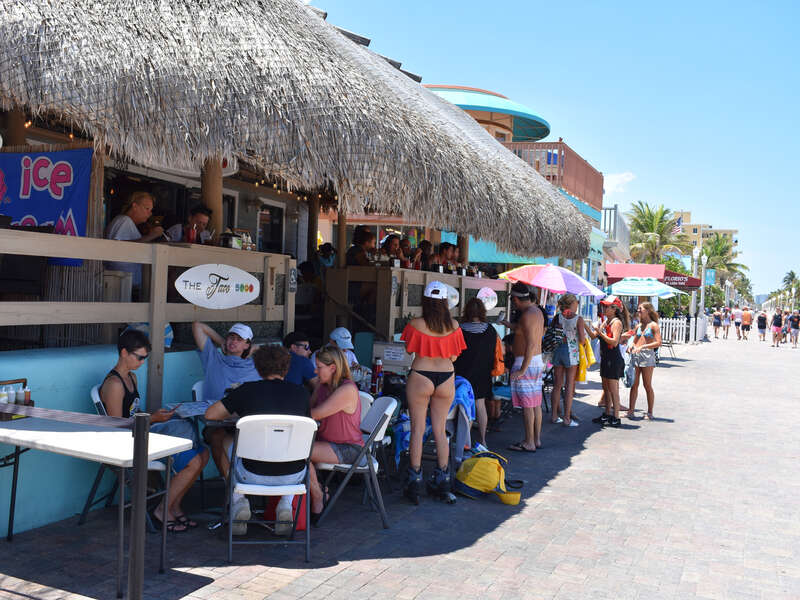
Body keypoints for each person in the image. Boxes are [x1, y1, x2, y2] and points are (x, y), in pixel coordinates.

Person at [100, 329, 208, 532]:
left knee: (204, 454)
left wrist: (154, 416)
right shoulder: (114, 384)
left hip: (141, 434)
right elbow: (118, 427)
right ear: (124, 353)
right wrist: (153, 419)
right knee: (193, 462)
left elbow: (135, 413)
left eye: (145, 358)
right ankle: (163, 509)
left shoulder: (131, 378)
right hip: (128, 443)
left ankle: (173, 504)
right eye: (139, 357)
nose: (142, 363)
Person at [204, 345, 310, 536]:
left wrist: (241, 415)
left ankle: (239, 502)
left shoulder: (246, 391)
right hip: (294, 475)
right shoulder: (302, 394)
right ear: (286, 369)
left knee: (220, 440)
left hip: (250, 474)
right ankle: (285, 503)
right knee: (289, 449)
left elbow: (210, 414)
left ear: (258, 368)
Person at [400, 281, 466, 503]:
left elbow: (409, 349)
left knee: (417, 429)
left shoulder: (416, 324)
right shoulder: (455, 326)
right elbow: (455, 357)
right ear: (446, 301)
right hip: (447, 377)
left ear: (426, 300)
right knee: (440, 430)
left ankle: (415, 481)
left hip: (421, 375)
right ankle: (443, 479)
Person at [192, 321, 261, 479]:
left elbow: (280, 353)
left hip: (246, 424)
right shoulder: (213, 358)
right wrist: (221, 341)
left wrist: (254, 349)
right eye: (231, 337)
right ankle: (230, 487)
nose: (233, 341)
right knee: (217, 436)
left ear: (247, 345)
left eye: (239, 339)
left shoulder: (256, 364)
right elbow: (198, 326)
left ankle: (252, 483)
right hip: (218, 422)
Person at [307, 346, 364, 521]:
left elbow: (314, 413)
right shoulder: (323, 385)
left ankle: (318, 496)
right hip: (327, 444)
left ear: (333, 368)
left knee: (298, 452)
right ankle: (318, 491)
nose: (315, 371)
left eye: (319, 367)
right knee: (295, 448)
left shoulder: (346, 389)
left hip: (349, 448)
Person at [454, 297, 500, 449]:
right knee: (480, 405)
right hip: (483, 373)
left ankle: (465, 441)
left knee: (463, 406)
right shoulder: (490, 330)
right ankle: (482, 439)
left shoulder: (459, 329)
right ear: (482, 311)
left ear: (466, 311)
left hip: (462, 374)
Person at [506, 282, 545, 453]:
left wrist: (522, 369)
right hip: (536, 361)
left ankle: (529, 442)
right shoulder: (536, 312)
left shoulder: (527, 316)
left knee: (528, 405)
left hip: (527, 363)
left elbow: (529, 344)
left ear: (516, 299)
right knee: (535, 403)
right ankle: (535, 439)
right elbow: (521, 330)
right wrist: (506, 323)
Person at [104, 191, 165, 289]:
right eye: (147, 209)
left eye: (151, 210)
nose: (149, 214)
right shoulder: (124, 221)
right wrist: (151, 235)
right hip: (119, 283)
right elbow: (118, 247)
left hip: (124, 283)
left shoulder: (126, 222)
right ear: (135, 206)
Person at [585, 296, 629, 427]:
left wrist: (599, 331)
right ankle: (607, 414)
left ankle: (616, 417)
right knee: (606, 388)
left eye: (606, 306)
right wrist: (584, 325)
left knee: (613, 390)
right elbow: (593, 336)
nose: (603, 308)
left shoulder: (616, 322)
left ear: (614, 309)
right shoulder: (605, 321)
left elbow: (614, 342)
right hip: (606, 358)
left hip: (613, 359)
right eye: (603, 305)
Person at [549, 293, 587, 428]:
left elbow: (550, 333)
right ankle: (566, 418)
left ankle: (554, 416)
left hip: (557, 351)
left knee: (557, 385)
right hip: (571, 352)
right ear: (572, 304)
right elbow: (582, 340)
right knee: (569, 385)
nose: (577, 305)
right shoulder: (578, 319)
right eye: (576, 303)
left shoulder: (557, 317)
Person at [627, 303, 662, 420]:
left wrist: (643, 347)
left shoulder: (653, 326)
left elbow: (658, 342)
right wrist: (630, 346)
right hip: (636, 355)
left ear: (648, 310)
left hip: (647, 356)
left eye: (640, 309)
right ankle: (630, 411)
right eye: (638, 309)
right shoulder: (639, 325)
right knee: (634, 385)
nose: (638, 311)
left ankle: (650, 411)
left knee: (647, 385)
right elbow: (634, 340)